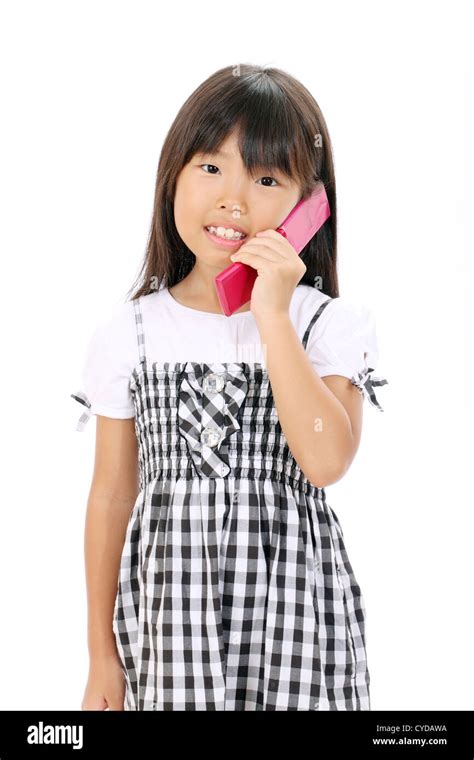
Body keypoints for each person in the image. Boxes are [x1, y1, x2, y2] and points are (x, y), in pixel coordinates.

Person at [71, 63, 389, 711]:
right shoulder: (128, 333)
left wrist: (272, 314)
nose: (235, 198)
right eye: (211, 167)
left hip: (295, 626)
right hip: (171, 630)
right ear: (173, 177)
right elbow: (111, 495)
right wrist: (101, 656)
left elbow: (326, 462)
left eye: (267, 178)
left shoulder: (326, 323)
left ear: (309, 206)